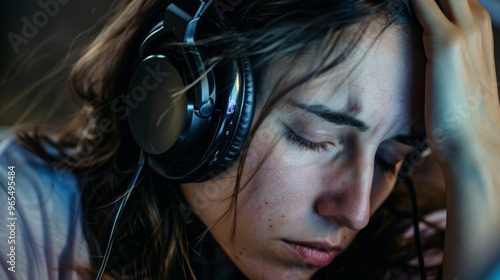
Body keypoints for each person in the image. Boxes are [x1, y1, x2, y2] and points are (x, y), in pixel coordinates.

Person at [1, 0, 499, 279]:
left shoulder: (432, 251)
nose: (356, 211)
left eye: (393, 159)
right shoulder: (19, 222)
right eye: (315, 137)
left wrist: (479, 161)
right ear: (181, 102)